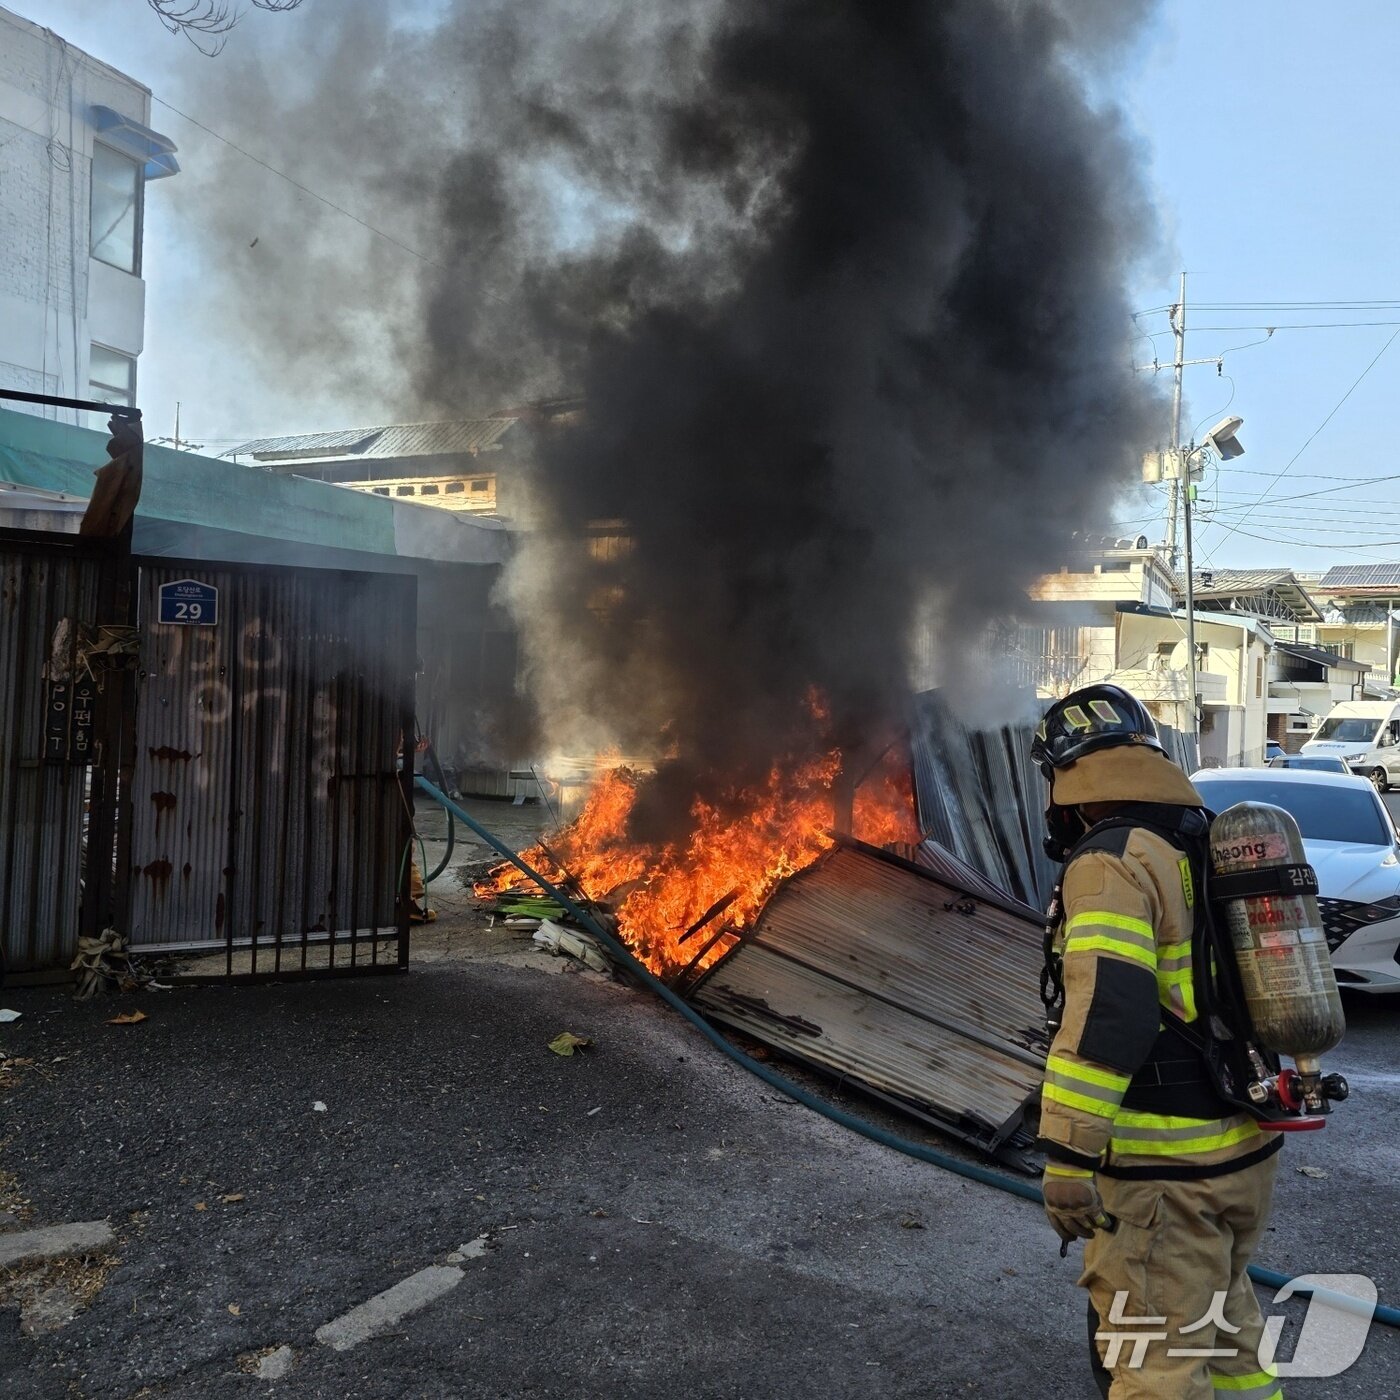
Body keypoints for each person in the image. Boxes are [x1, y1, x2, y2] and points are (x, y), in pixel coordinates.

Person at [1031, 684, 1284, 1400]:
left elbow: (1112, 1013)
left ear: (1071, 782)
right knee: (1228, 1336)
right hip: (1241, 1150)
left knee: (1154, 1369)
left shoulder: (1109, 863)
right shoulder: (1202, 842)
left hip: (1165, 1173)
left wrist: (1069, 1156)